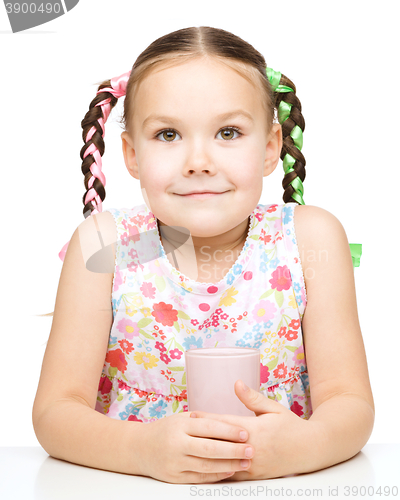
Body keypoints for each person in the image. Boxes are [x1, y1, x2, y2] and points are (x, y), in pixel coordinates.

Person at [32, 26, 374, 484]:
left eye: (228, 132)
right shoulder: (101, 243)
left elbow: (350, 402)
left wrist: (304, 446)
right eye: (168, 134)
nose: (198, 160)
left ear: (271, 148)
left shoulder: (312, 238)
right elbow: (55, 414)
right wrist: (142, 451)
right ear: (132, 155)